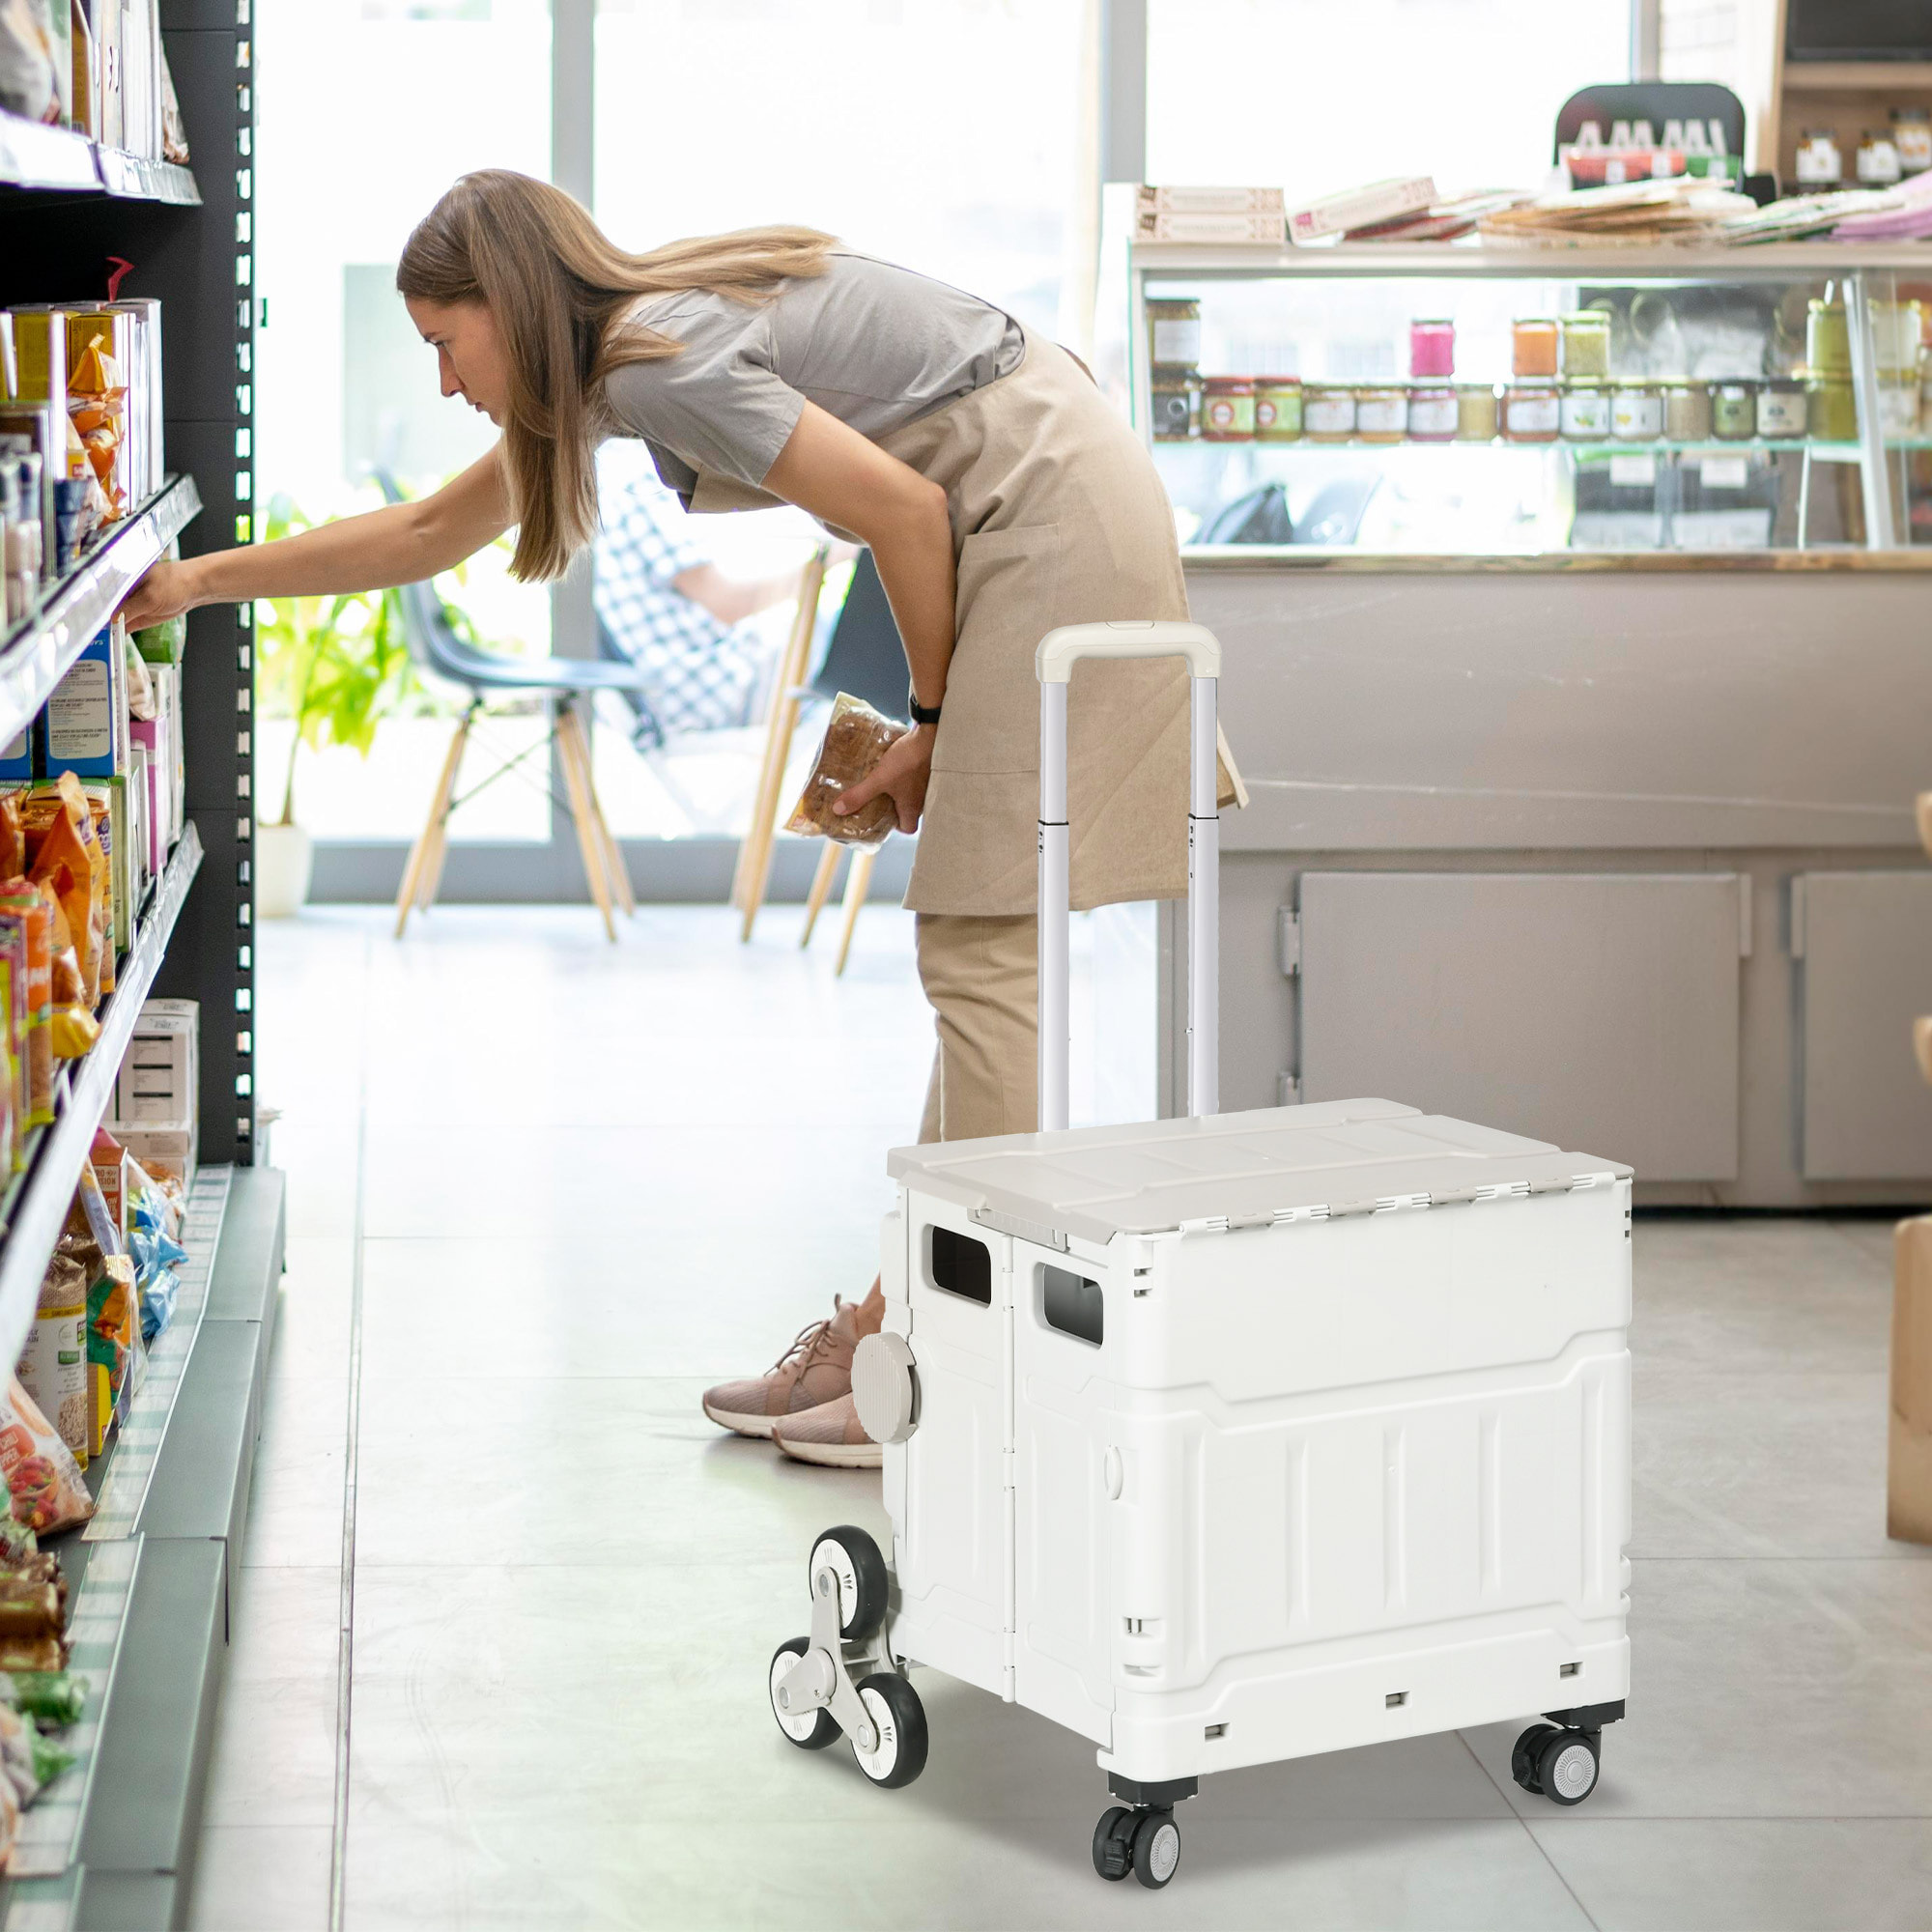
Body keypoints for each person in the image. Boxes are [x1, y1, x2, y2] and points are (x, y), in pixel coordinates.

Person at [123, 169, 1234, 1471]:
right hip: (1032, 495)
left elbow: (906, 511)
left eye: (443, 343)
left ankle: (951, 1374)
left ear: (508, 304)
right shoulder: (621, 356)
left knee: (987, 961)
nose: (441, 380)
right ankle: (906, 1326)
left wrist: (931, 713)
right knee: (986, 966)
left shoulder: (657, 362)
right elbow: (427, 530)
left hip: (1044, 516)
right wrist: (196, 582)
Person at [591, 440, 802, 751]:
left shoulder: (602, 486)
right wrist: (825, 564)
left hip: (664, 691)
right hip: (707, 691)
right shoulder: (636, 486)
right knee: (841, 633)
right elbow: (729, 603)